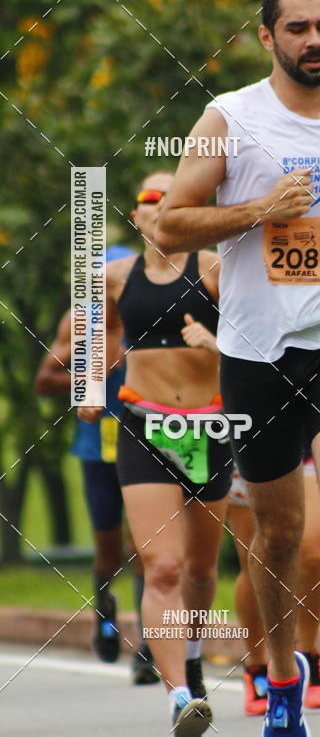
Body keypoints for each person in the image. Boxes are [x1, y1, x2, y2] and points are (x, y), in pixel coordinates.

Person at [156, 0, 320, 737]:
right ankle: (284, 681)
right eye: (298, 29)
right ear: (268, 37)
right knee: (279, 534)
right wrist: (261, 210)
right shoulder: (229, 118)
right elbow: (170, 228)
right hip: (255, 348)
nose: (316, 41)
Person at [78, 171, 232, 737]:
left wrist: (217, 344)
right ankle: (179, 696)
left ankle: (191, 652)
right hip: (144, 426)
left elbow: (261, 343)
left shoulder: (215, 268)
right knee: (161, 565)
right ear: (136, 215)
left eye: (175, 199)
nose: (161, 206)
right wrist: (89, 388)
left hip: (210, 428)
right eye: (149, 198)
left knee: (198, 568)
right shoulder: (113, 276)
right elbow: (98, 331)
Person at [35, 245, 159, 685]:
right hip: (96, 449)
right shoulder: (80, 323)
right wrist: (86, 381)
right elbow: (44, 378)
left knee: (146, 546)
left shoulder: (150, 316)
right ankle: (105, 616)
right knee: (108, 547)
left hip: (147, 442)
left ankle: (149, 646)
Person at [227, 453, 320, 717]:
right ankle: (257, 667)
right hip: (245, 437)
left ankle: (307, 654)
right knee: (256, 557)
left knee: (315, 553)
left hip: (304, 442)